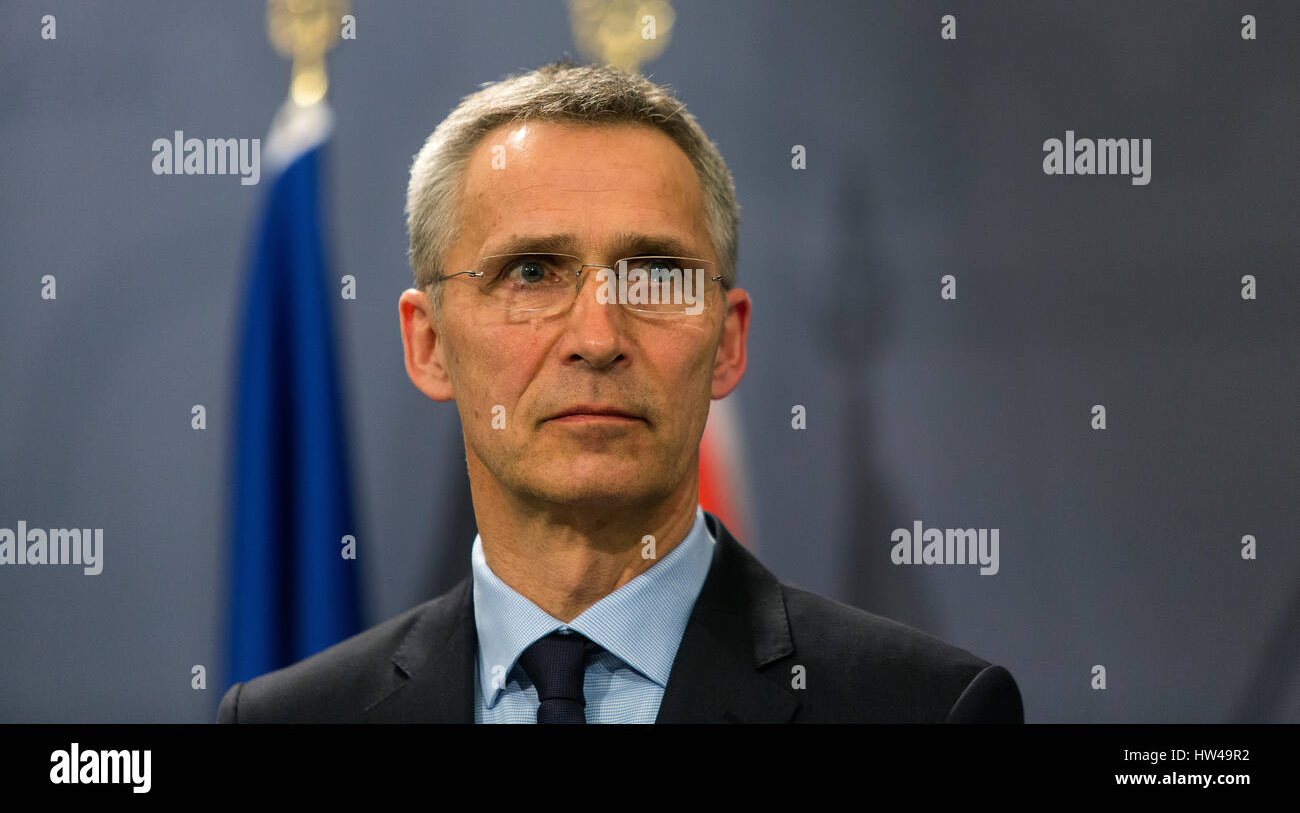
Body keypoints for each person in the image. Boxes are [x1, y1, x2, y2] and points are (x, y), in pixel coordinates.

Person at [217, 60, 1024, 723]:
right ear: (428, 344)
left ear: (728, 341)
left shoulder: (925, 712)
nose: (598, 339)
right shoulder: (283, 721)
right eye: (531, 273)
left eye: (658, 276)